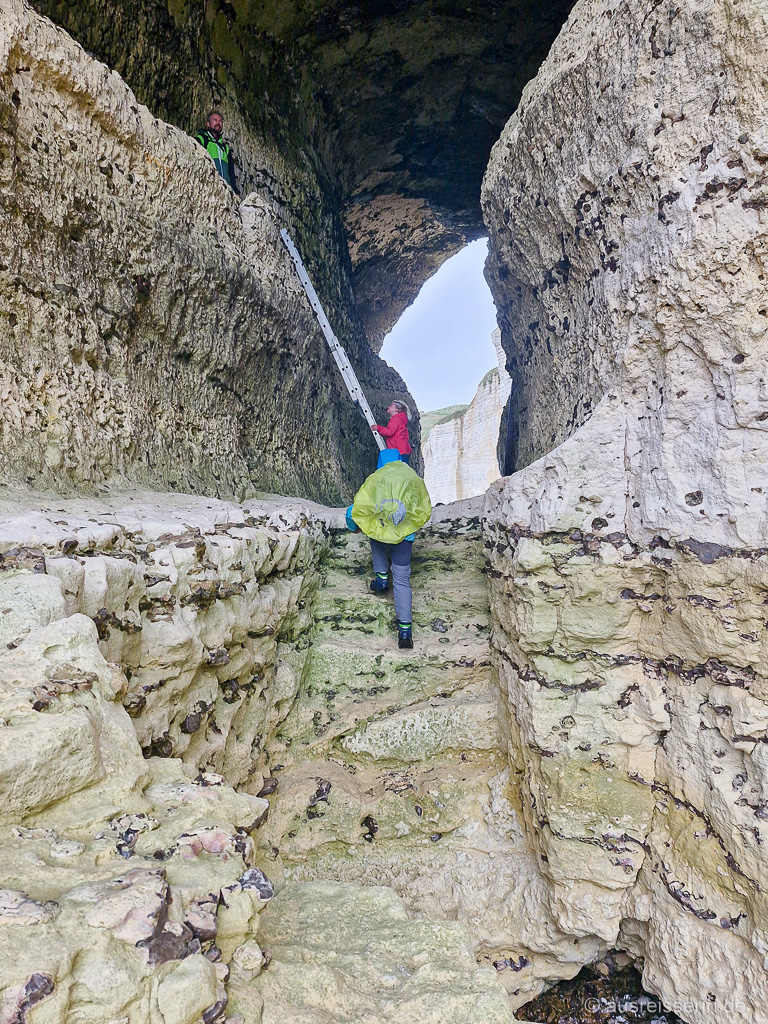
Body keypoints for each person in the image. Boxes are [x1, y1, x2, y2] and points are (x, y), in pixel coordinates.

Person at [345, 450, 431, 649]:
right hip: (403, 539)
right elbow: (423, 507)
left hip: (381, 533)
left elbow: (357, 509)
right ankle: (405, 632)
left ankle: (381, 578)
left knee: (374, 533)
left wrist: (354, 525)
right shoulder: (409, 480)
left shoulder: (376, 481)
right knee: (402, 580)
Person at [195, 111, 239, 194]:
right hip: (209, 190)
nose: (218, 123)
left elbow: (231, 172)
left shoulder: (225, 148)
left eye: (220, 121)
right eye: (215, 120)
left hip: (226, 192)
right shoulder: (202, 140)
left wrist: (234, 192)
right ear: (208, 124)